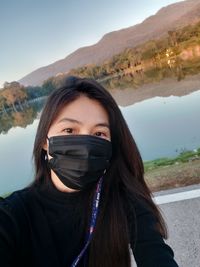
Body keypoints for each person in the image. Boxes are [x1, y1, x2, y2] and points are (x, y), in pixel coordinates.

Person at [0, 76, 179, 267]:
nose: (85, 147)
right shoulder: (13, 215)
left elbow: (155, 254)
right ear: (45, 141)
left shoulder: (123, 198)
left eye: (99, 134)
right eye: (69, 130)